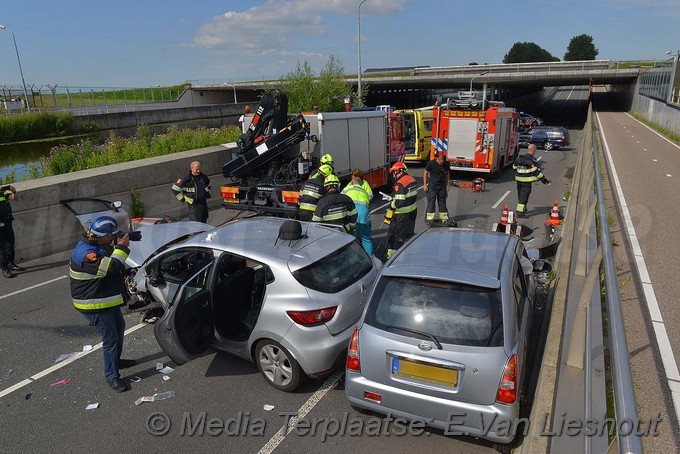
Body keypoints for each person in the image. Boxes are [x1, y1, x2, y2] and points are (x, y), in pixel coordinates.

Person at [69, 216, 136, 392]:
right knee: (110, 338)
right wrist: (122, 246)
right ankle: (112, 377)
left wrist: (127, 239)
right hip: (93, 303)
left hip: (104, 297)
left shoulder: (95, 243)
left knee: (119, 327)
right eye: (112, 235)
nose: (115, 237)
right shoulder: (86, 254)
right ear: (103, 236)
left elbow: (110, 258)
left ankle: (116, 361)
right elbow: (110, 267)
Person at [386, 162, 418, 259]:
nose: (393, 175)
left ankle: (393, 257)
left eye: (393, 172)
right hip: (412, 212)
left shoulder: (399, 183)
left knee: (396, 235)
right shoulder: (412, 179)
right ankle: (407, 254)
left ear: (398, 171)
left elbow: (399, 203)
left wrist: (391, 202)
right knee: (408, 234)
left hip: (401, 215)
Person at [513, 144, 550, 217]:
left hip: (518, 180)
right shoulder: (532, 161)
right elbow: (536, 172)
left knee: (521, 196)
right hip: (526, 182)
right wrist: (544, 180)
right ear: (534, 150)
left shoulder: (519, 158)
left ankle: (523, 209)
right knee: (524, 197)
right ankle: (520, 213)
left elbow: (514, 167)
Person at [342, 170, 374, 255]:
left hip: (354, 216)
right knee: (366, 238)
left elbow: (341, 199)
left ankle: (357, 258)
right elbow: (368, 197)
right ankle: (372, 258)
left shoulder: (347, 188)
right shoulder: (363, 191)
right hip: (363, 215)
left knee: (354, 239)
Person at [0, 185, 24, 278]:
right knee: (1, 247)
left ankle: (11, 263)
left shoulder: (2, 193)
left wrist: (14, 191)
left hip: (7, 220)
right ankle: (4, 268)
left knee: (10, 242)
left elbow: (15, 199)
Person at [423, 153, 451, 223]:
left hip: (442, 186)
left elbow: (447, 174)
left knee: (442, 201)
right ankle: (429, 218)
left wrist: (448, 184)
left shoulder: (446, 164)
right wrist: (425, 185)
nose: (441, 165)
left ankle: (444, 217)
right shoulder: (431, 163)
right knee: (431, 201)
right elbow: (425, 173)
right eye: (440, 163)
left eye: (443, 163)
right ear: (438, 159)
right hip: (433, 186)